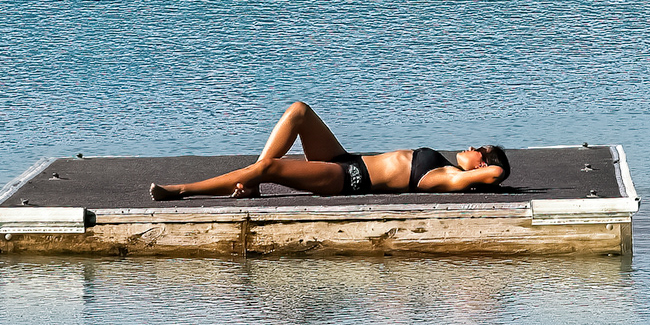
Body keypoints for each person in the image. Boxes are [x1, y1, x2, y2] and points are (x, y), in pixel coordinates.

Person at [150, 101, 512, 200]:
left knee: (272, 167)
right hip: (345, 160)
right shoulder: (445, 166)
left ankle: (181, 190)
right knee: (299, 112)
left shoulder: (446, 177)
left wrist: (484, 174)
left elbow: (497, 174)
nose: (470, 146)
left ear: (482, 163)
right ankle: (254, 179)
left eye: (479, 149)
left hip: (347, 179)